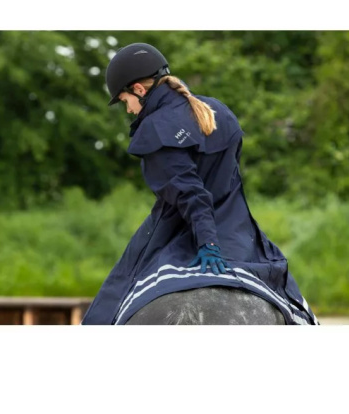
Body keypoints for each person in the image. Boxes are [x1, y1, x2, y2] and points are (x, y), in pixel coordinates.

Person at [81, 42, 319, 325]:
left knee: (111, 300)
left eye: (124, 101)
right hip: (238, 229)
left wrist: (208, 243)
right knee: (297, 307)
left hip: (186, 230)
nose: (129, 110)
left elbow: (192, 194)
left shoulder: (155, 129)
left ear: (139, 90)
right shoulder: (217, 110)